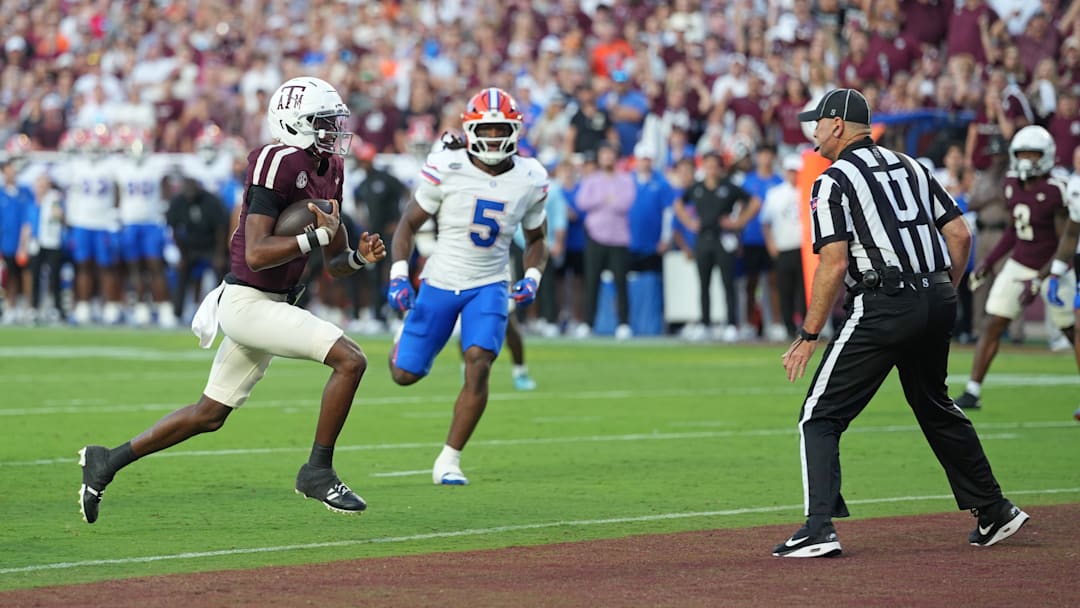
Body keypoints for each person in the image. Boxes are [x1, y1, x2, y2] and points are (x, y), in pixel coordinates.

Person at [78, 76, 387, 523]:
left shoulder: (331, 170)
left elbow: (334, 262)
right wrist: (317, 234)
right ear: (295, 122)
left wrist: (358, 257)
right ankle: (317, 471)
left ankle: (105, 462)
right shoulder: (275, 160)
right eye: (325, 123)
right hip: (247, 303)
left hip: (276, 303)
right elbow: (259, 254)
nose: (334, 132)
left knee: (209, 414)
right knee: (351, 360)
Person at [774, 89, 1029, 558]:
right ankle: (994, 509)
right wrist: (941, 289)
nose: (813, 132)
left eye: (818, 122)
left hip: (884, 301)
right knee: (935, 405)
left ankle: (818, 528)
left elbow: (832, 263)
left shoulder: (833, 181)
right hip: (936, 295)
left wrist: (809, 335)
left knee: (820, 415)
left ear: (837, 125)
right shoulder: (913, 166)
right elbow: (959, 233)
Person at [386, 87, 549, 486]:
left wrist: (532, 277)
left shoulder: (531, 177)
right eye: (487, 129)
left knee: (478, 362)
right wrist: (398, 274)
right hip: (441, 280)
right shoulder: (447, 166)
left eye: (500, 129)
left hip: (490, 283)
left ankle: (450, 459)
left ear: (514, 130)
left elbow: (538, 238)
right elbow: (408, 224)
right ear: (472, 129)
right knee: (404, 375)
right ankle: (403, 340)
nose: (493, 137)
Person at [954, 126, 1077, 410]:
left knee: (1072, 331)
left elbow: (1066, 241)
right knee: (993, 323)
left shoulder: (1055, 190)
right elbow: (1014, 230)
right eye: (1021, 155)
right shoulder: (1010, 184)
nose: (1026, 161)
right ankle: (973, 391)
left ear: (1045, 157)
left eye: (1033, 155)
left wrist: (1044, 277)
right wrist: (988, 261)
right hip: (1019, 262)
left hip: (1053, 266)